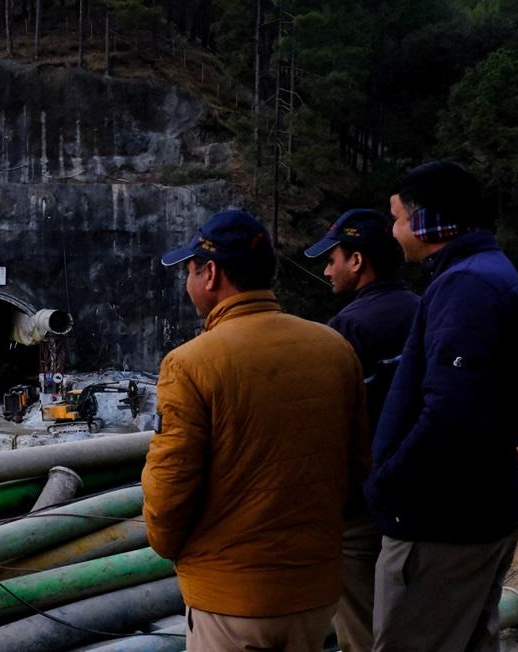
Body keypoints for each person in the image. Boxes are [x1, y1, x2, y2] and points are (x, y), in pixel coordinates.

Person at [142, 209, 369, 652]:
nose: (188, 283)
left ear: (210, 274)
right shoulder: (333, 348)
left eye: (189, 271)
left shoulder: (189, 364)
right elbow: (357, 465)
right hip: (315, 592)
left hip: (232, 599)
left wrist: (168, 546)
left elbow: (170, 487)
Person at [366, 161, 518, 652]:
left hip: (442, 525)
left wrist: (388, 480)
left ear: (425, 222)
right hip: (471, 511)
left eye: (398, 217)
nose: (393, 230)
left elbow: (451, 413)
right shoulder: (477, 275)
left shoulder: (468, 286)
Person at [303, 208, 420, 652]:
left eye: (332, 257)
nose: (326, 268)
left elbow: (327, 421)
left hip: (359, 506)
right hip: (411, 494)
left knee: (360, 627)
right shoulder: (420, 309)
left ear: (357, 261)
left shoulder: (349, 328)